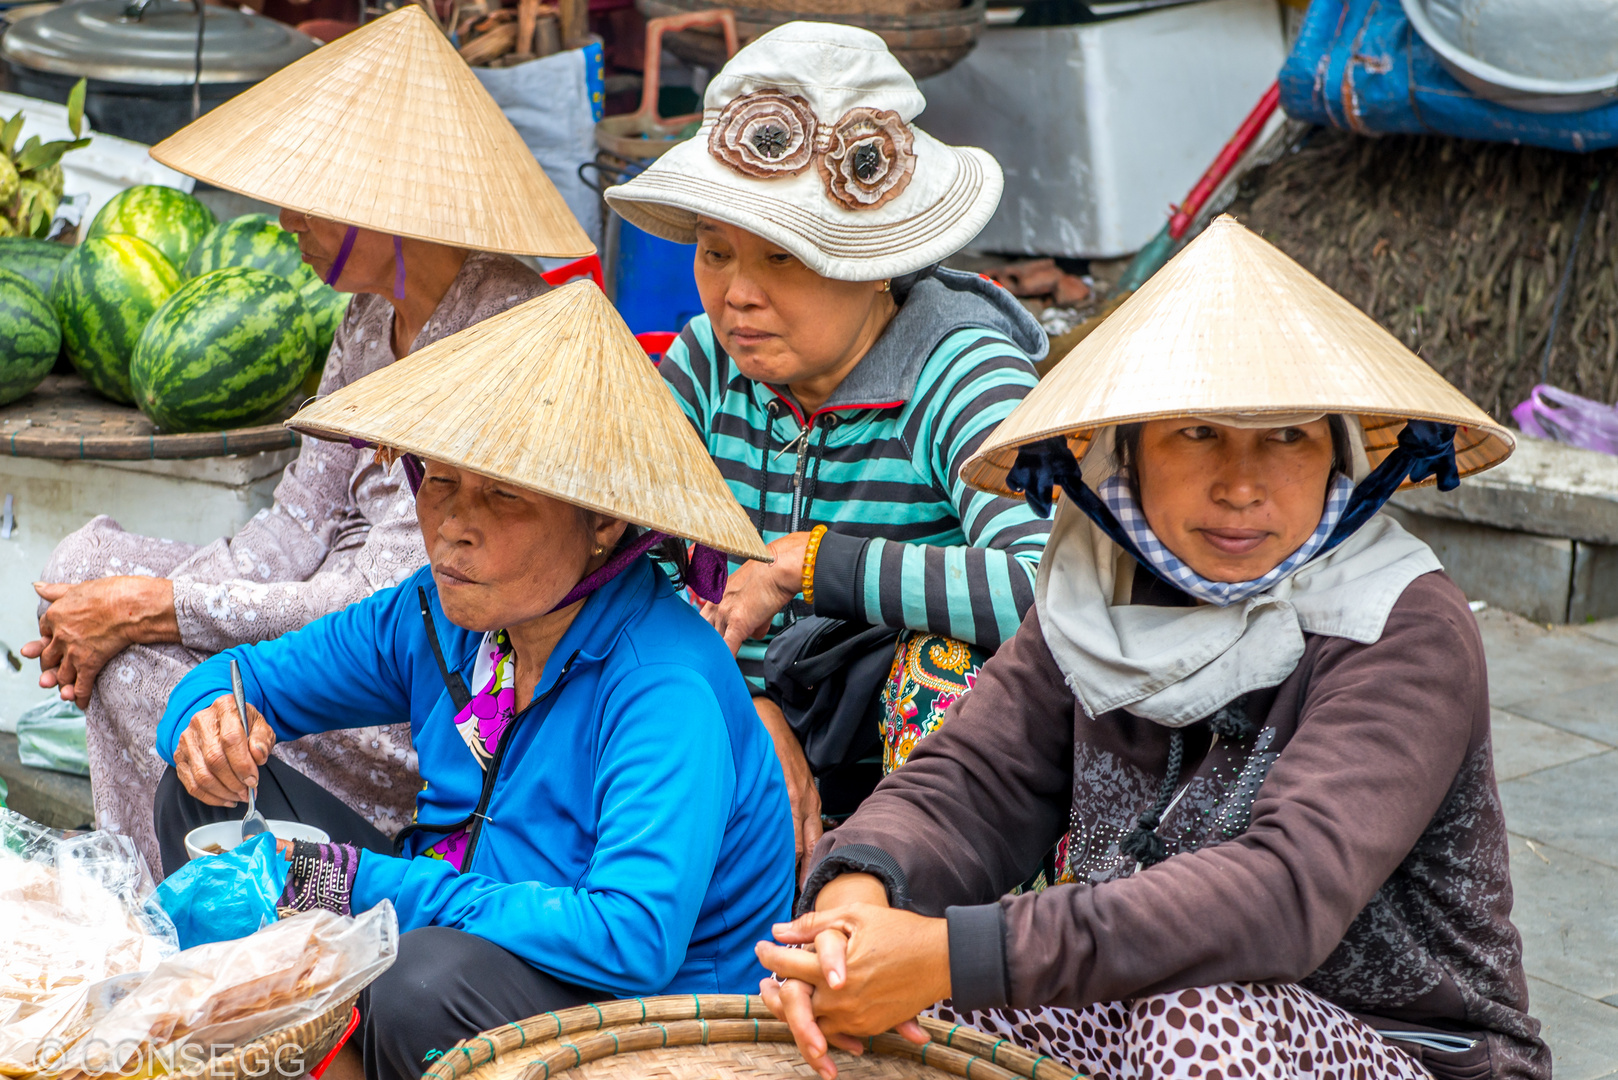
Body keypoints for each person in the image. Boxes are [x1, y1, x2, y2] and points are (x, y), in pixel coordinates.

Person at [758, 218, 1549, 1080]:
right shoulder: (1091, 593)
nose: (1241, 484)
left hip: (1405, 1050)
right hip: (1141, 999)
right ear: (1123, 455)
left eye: (1286, 436)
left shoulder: (1400, 624)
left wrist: (951, 951)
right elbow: (971, 783)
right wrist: (852, 908)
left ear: (1338, 456)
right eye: (1197, 433)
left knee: (1194, 1011)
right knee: (885, 997)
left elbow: (1281, 895)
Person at [152, 281, 794, 1080]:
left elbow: (630, 939)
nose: (455, 524)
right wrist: (205, 719)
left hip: (646, 1020)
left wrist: (353, 884)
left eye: (502, 495)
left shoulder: (661, 683)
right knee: (205, 793)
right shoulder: (438, 612)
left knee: (420, 986)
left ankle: (334, 1045)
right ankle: (296, 1042)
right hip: (469, 917)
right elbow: (243, 677)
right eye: (441, 482)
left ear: (602, 522)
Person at [21, 3, 594, 877]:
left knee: (140, 669)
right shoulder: (369, 316)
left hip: (419, 686)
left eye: (309, 202)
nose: (287, 224)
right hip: (327, 622)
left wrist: (156, 608)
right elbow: (293, 525)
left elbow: (398, 601)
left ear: (384, 203)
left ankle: (169, 913)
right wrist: (125, 596)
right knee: (82, 570)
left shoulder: (502, 325)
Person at [605, 22, 1052, 869]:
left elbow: (1050, 583)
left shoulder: (960, 373)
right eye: (716, 252)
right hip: (730, 730)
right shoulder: (705, 363)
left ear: (876, 259)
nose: (738, 294)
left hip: (925, 781)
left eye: (782, 257)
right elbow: (631, 548)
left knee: (946, 664)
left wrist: (805, 567)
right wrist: (742, 704)